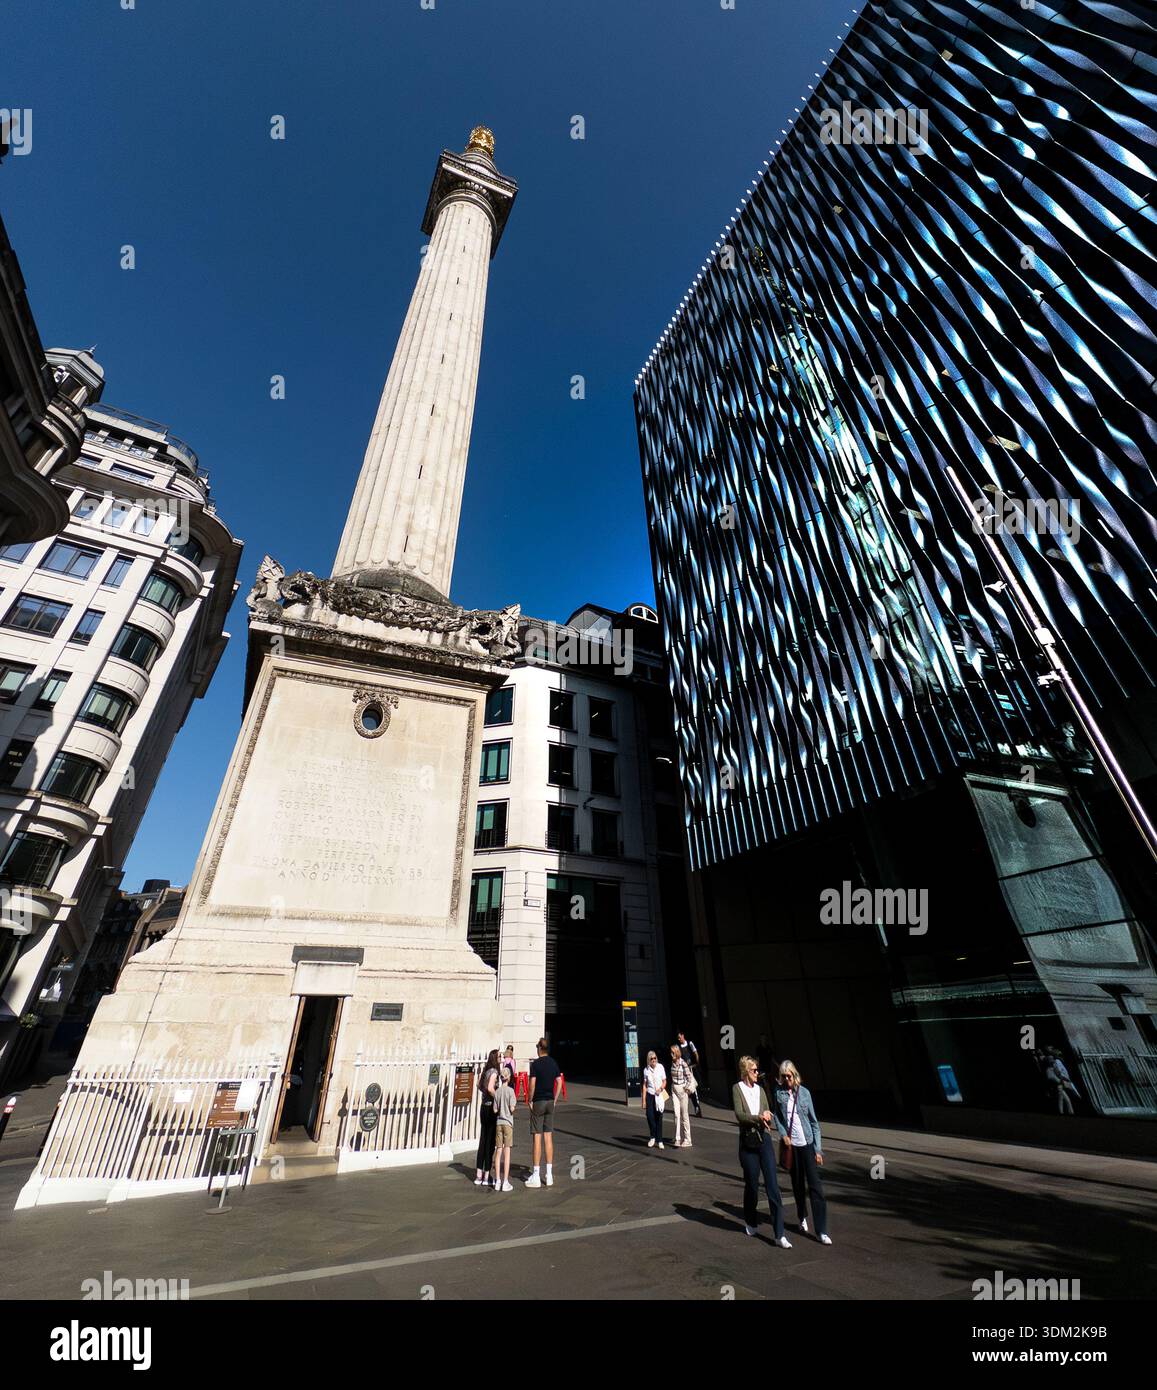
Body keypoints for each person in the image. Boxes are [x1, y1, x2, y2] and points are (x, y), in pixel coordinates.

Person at [733, 1055, 790, 1246]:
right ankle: (750, 1218)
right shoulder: (737, 1088)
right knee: (752, 1184)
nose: (757, 1073)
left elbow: (767, 1110)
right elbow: (740, 1115)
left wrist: (767, 1116)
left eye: (757, 1070)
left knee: (772, 1185)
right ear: (746, 1072)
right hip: (748, 1142)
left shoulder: (760, 1090)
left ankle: (779, 1233)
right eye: (754, 1070)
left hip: (764, 1140)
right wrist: (758, 1117)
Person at [774, 1059, 831, 1245]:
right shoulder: (779, 1094)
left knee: (815, 1187)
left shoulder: (804, 1093)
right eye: (784, 1077)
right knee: (797, 1184)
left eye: (789, 1076)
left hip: (807, 1145)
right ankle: (802, 1216)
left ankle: (821, 1230)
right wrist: (783, 1135)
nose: (787, 1079)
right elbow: (778, 1118)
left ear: (794, 1074)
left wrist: (818, 1150)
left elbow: (814, 1123)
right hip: (792, 1147)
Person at [525, 1037, 562, 1188]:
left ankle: (535, 1174)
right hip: (549, 1101)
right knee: (548, 1137)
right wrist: (555, 1098)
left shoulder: (536, 1064)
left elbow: (532, 1083)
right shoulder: (553, 1063)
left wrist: (530, 1099)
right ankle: (549, 1174)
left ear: (539, 1048)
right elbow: (559, 1081)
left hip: (539, 1101)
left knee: (537, 1138)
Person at [474, 1049, 501, 1188]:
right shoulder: (494, 1072)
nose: (501, 1059)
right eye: (500, 1056)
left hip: (483, 1107)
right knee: (490, 1142)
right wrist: (498, 1096)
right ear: (495, 1059)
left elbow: (479, 1085)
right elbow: (491, 1088)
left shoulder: (485, 1071)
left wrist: (485, 1093)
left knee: (482, 1140)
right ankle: (486, 1175)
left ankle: (478, 1174)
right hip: (491, 1108)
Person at [493, 1063, 516, 1192]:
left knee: (498, 1151)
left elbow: (495, 1109)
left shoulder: (497, 1092)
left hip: (498, 1123)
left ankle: (497, 1180)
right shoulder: (511, 1092)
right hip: (508, 1123)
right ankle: (505, 1181)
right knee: (507, 1152)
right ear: (509, 1078)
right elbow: (512, 1108)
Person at [669, 1043, 694, 1147]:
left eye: (672, 1052)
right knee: (676, 1114)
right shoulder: (672, 1062)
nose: (670, 1054)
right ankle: (677, 1138)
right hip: (674, 1089)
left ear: (676, 1052)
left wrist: (686, 1088)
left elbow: (689, 1077)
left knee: (684, 1115)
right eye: (671, 1052)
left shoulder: (683, 1063)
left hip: (682, 1090)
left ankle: (688, 1139)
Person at [642, 1049, 668, 1149]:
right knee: (649, 1116)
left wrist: (661, 1088)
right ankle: (653, 1136)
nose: (654, 1060)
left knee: (659, 1117)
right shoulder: (646, 1070)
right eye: (651, 1058)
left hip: (659, 1095)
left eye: (655, 1058)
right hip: (650, 1095)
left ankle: (660, 1140)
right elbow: (644, 1085)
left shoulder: (660, 1067)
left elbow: (664, 1081)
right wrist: (643, 1100)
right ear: (648, 1060)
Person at [677, 1031, 702, 1117]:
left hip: (692, 1068)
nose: (679, 1039)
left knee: (694, 1088)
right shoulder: (679, 1047)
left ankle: (697, 1107)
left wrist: (697, 1063)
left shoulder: (690, 1043)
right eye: (678, 1038)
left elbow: (695, 1053)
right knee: (688, 1089)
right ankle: (692, 1107)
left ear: (683, 1035)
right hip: (685, 1070)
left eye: (680, 1037)